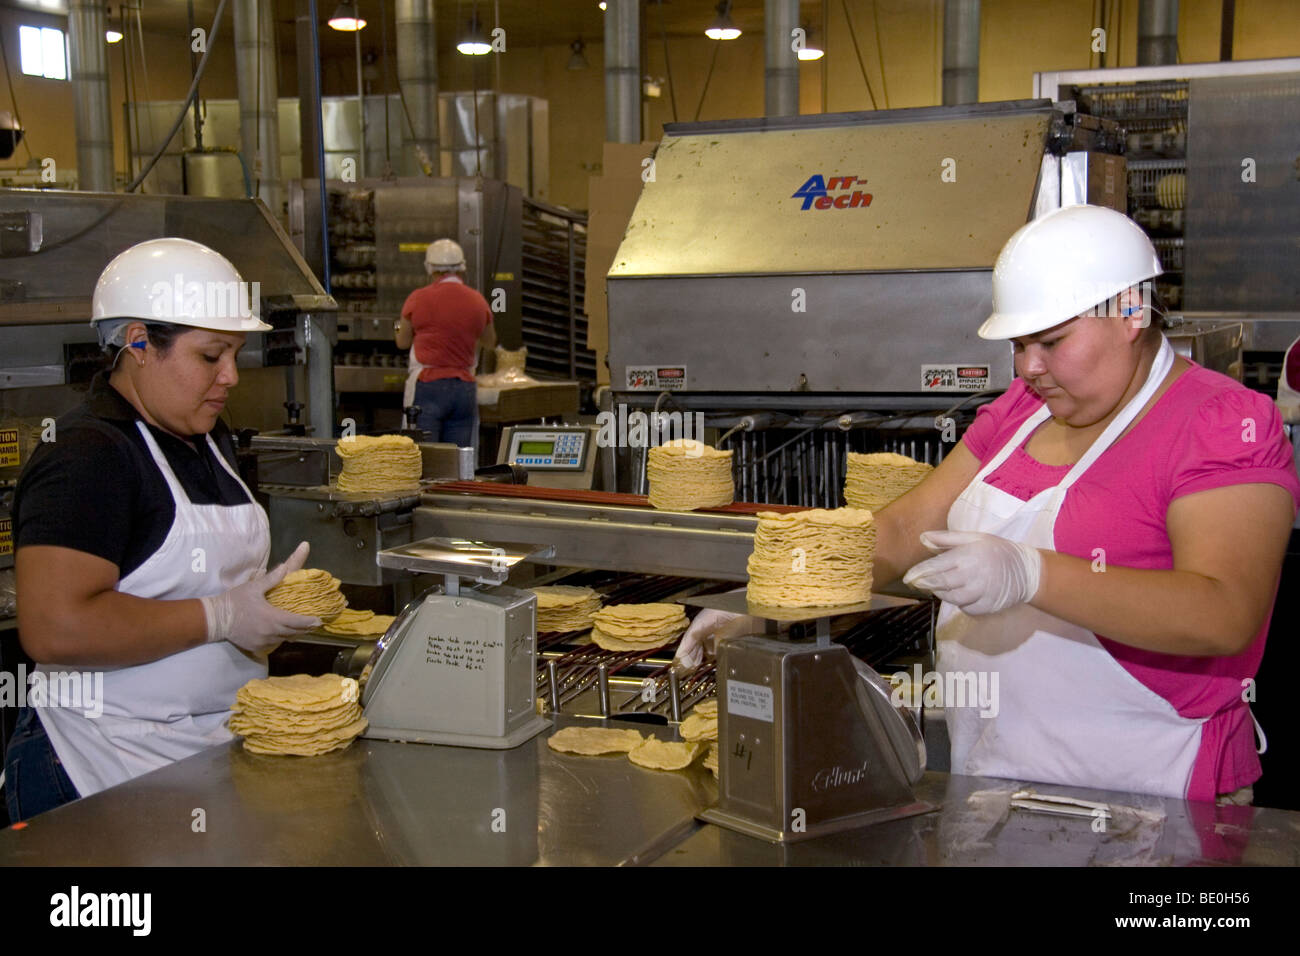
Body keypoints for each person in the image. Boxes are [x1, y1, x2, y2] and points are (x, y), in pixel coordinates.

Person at [677, 205, 1299, 804]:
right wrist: (778, 603)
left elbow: (1224, 610)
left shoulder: (1221, 423)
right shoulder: (1023, 412)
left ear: (1131, 311)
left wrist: (1029, 573)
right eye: (1020, 344)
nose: (1029, 366)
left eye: (1052, 342)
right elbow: (901, 530)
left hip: (1153, 792)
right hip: (996, 784)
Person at [4, 238, 321, 822]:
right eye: (210, 356)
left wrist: (260, 615)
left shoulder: (207, 437)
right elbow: (54, 629)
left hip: (204, 750)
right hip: (99, 764)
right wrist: (220, 617)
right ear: (140, 343)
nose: (230, 376)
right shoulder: (88, 456)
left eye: (235, 354)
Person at [396, 239, 496, 449]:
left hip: (428, 387)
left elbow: (402, 342)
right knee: (458, 459)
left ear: (429, 268)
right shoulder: (478, 300)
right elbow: (490, 340)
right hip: (463, 390)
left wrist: (399, 324)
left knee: (425, 458)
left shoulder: (418, 298)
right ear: (462, 267)